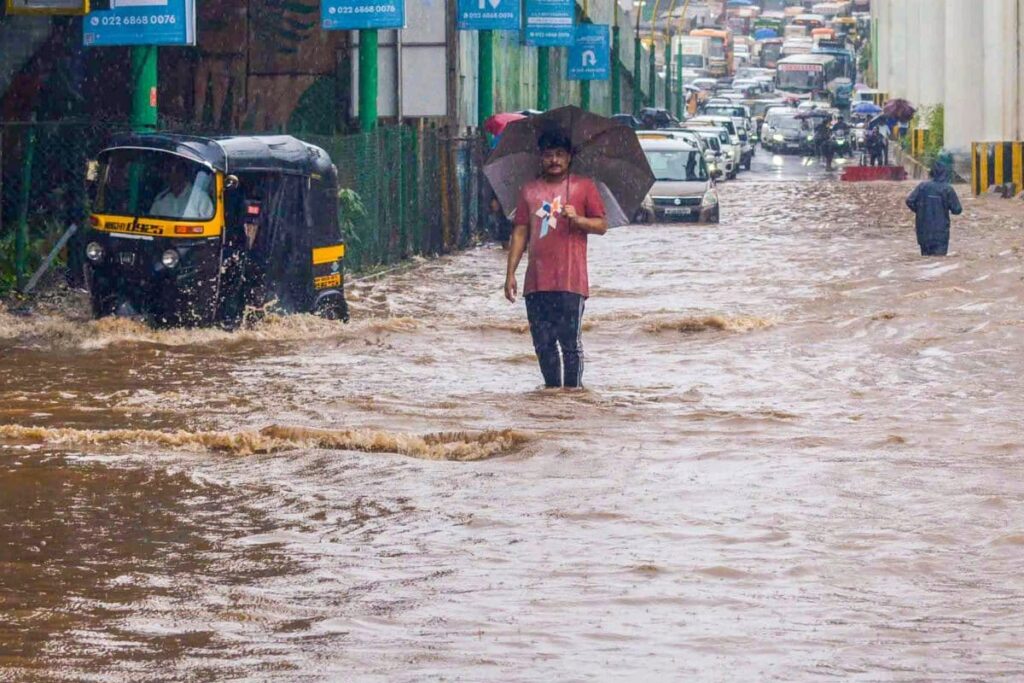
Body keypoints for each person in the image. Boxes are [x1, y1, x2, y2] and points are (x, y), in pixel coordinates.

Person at [504, 130, 608, 389]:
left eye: (560, 155)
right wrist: (510, 274)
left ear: (569, 157)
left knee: (570, 344)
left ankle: (572, 397)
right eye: (549, 155)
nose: (554, 160)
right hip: (536, 282)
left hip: (570, 281)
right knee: (542, 343)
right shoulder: (529, 190)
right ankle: (551, 396)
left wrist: (579, 220)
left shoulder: (583, 187)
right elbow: (520, 232)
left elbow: (601, 225)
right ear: (541, 157)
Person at [906, 161, 962, 256]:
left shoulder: (922, 186)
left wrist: (920, 211)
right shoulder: (947, 189)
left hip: (923, 231)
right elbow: (957, 210)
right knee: (938, 262)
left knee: (925, 261)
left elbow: (909, 201)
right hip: (941, 233)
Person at [149, 158, 214, 219]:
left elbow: (212, 226)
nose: (173, 175)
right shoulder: (160, 199)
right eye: (169, 170)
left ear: (184, 172)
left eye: (177, 170)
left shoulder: (200, 198)